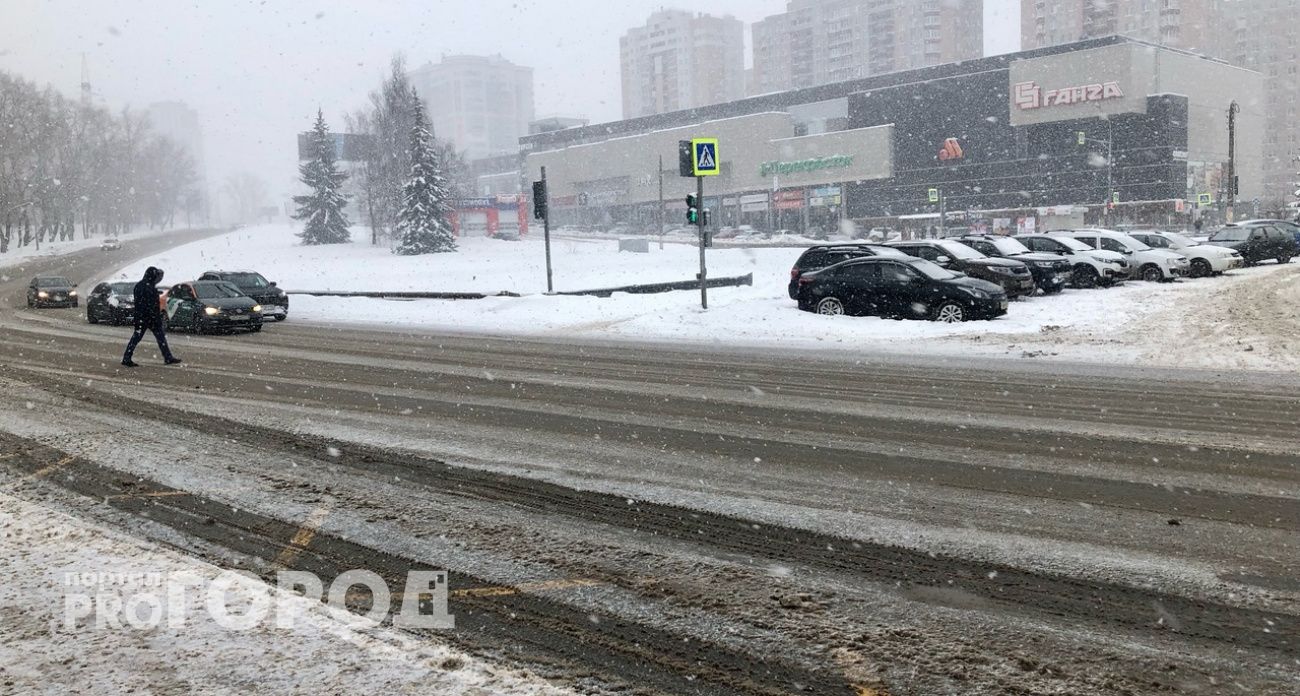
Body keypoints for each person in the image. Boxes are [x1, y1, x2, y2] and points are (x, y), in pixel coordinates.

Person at [121, 266, 181, 367]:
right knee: (159, 337)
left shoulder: (140, 286)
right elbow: (151, 305)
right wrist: (154, 316)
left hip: (142, 317)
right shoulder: (149, 287)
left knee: (137, 338)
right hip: (149, 317)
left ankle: (127, 357)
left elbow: (142, 303)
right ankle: (167, 357)